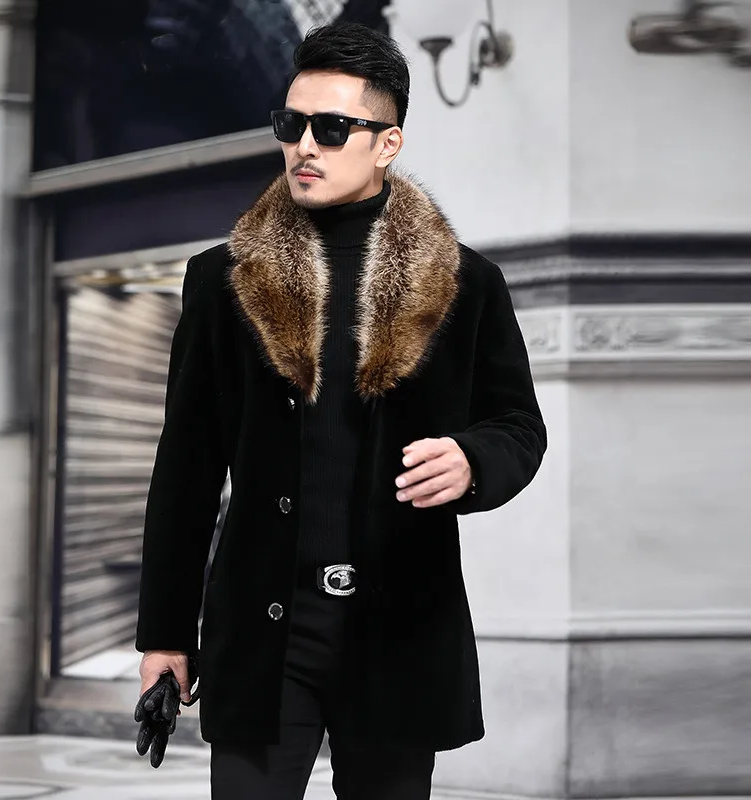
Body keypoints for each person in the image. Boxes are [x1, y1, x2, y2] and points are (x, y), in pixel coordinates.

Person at [135, 21, 546, 800]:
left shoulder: (467, 284)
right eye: (290, 124)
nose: (303, 146)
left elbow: (519, 426)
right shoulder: (221, 281)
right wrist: (164, 635)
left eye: (331, 128)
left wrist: (473, 461)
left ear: (387, 143)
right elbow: (185, 469)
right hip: (264, 632)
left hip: (399, 630)